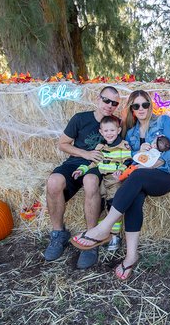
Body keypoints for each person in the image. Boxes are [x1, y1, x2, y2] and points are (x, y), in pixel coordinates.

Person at [71, 90, 170, 280]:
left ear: (150, 105)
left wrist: (156, 161)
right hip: (141, 175)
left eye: (145, 104)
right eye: (136, 106)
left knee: (137, 176)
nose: (141, 109)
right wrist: (134, 156)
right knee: (135, 194)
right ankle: (131, 255)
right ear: (132, 109)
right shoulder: (130, 133)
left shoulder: (164, 122)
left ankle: (103, 228)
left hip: (165, 174)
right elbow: (129, 158)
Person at [44, 86, 120, 269]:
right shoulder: (80, 118)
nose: (109, 105)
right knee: (53, 182)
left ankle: (91, 238)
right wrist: (84, 154)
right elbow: (62, 143)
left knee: (91, 181)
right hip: (75, 161)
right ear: (98, 98)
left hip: (97, 166)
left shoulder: (117, 124)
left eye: (114, 103)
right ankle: (58, 234)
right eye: (106, 100)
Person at [71, 115, 133, 251]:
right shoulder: (101, 147)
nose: (109, 134)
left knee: (113, 205)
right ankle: (102, 233)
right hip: (103, 180)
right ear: (101, 132)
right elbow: (93, 163)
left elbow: (128, 161)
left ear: (118, 130)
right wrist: (81, 170)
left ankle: (115, 235)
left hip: (115, 180)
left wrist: (121, 171)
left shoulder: (123, 146)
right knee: (100, 204)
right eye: (106, 131)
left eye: (112, 130)